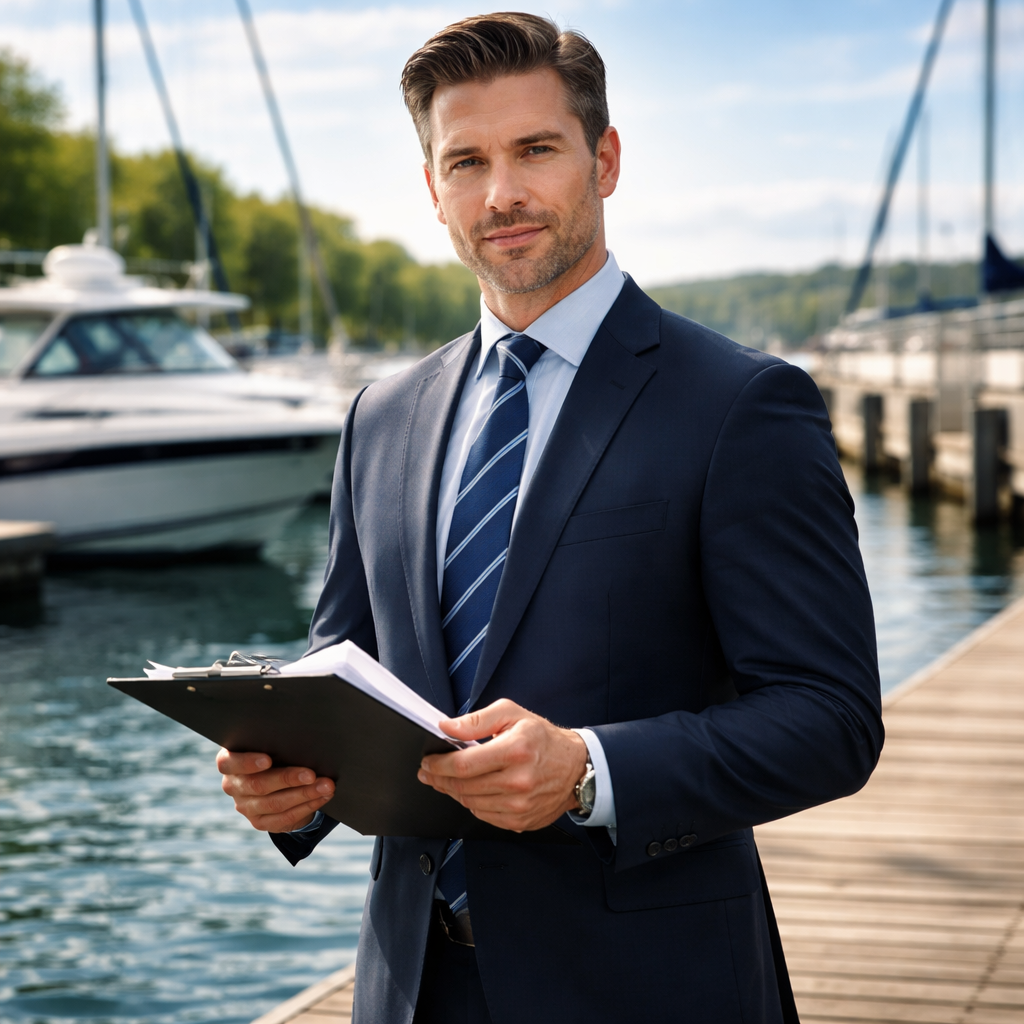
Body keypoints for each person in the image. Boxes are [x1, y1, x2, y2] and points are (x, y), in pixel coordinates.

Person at [218, 12, 883, 1023]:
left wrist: (588, 771)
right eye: (466, 162)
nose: (503, 194)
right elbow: (344, 665)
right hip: (408, 986)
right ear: (432, 191)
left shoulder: (741, 404)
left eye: (535, 150)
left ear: (603, 158)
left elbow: (829, 719)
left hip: (650, 988)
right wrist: (293, 785)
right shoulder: (381, 415)